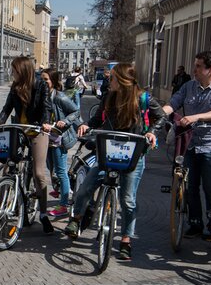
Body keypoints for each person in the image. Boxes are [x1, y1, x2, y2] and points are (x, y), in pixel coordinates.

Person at [64, 63, 165, 260]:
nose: (110, 81)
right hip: (109, 152)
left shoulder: (142, 98)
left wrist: (152, 133)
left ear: (123, 80)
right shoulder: (110, 97)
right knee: (86, 187)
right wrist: (86, 125)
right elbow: (97, 119)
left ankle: (126, 240)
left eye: (113, 78)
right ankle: (76, 219)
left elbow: (160, 116)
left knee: (128, 201)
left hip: (133, 155)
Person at [162, 51, 211, 239]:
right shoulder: (188, 86)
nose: (194, 70)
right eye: (195, 65)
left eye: (198, 66)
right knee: (189, 186)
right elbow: (174, 103)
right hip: (190, 144)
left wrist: (195, 117)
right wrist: (158, 113)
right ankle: (195, 223)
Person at [0, 55, 55, 234]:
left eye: (14, 70)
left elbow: (47, 106)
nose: (12, 72)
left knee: (38, 173)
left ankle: (43, 214)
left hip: (37, 129)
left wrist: (45, 122)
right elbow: (7, 108)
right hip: (20, 129)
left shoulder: (40, 85)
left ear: (22, 71)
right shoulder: (15, 87)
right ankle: (2, 207)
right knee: (9, 167)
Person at [40, 67, 80, 217]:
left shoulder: (60, 97)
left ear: (54, 81)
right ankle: (59, 189)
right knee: (51, 167)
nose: (43, 82)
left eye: (46, 80)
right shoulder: (43, 95)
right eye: (41, 79)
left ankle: (63, 204)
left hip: (59, 139)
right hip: (46, 137)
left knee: (61, 171)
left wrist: (64, 121)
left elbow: (76, 111)